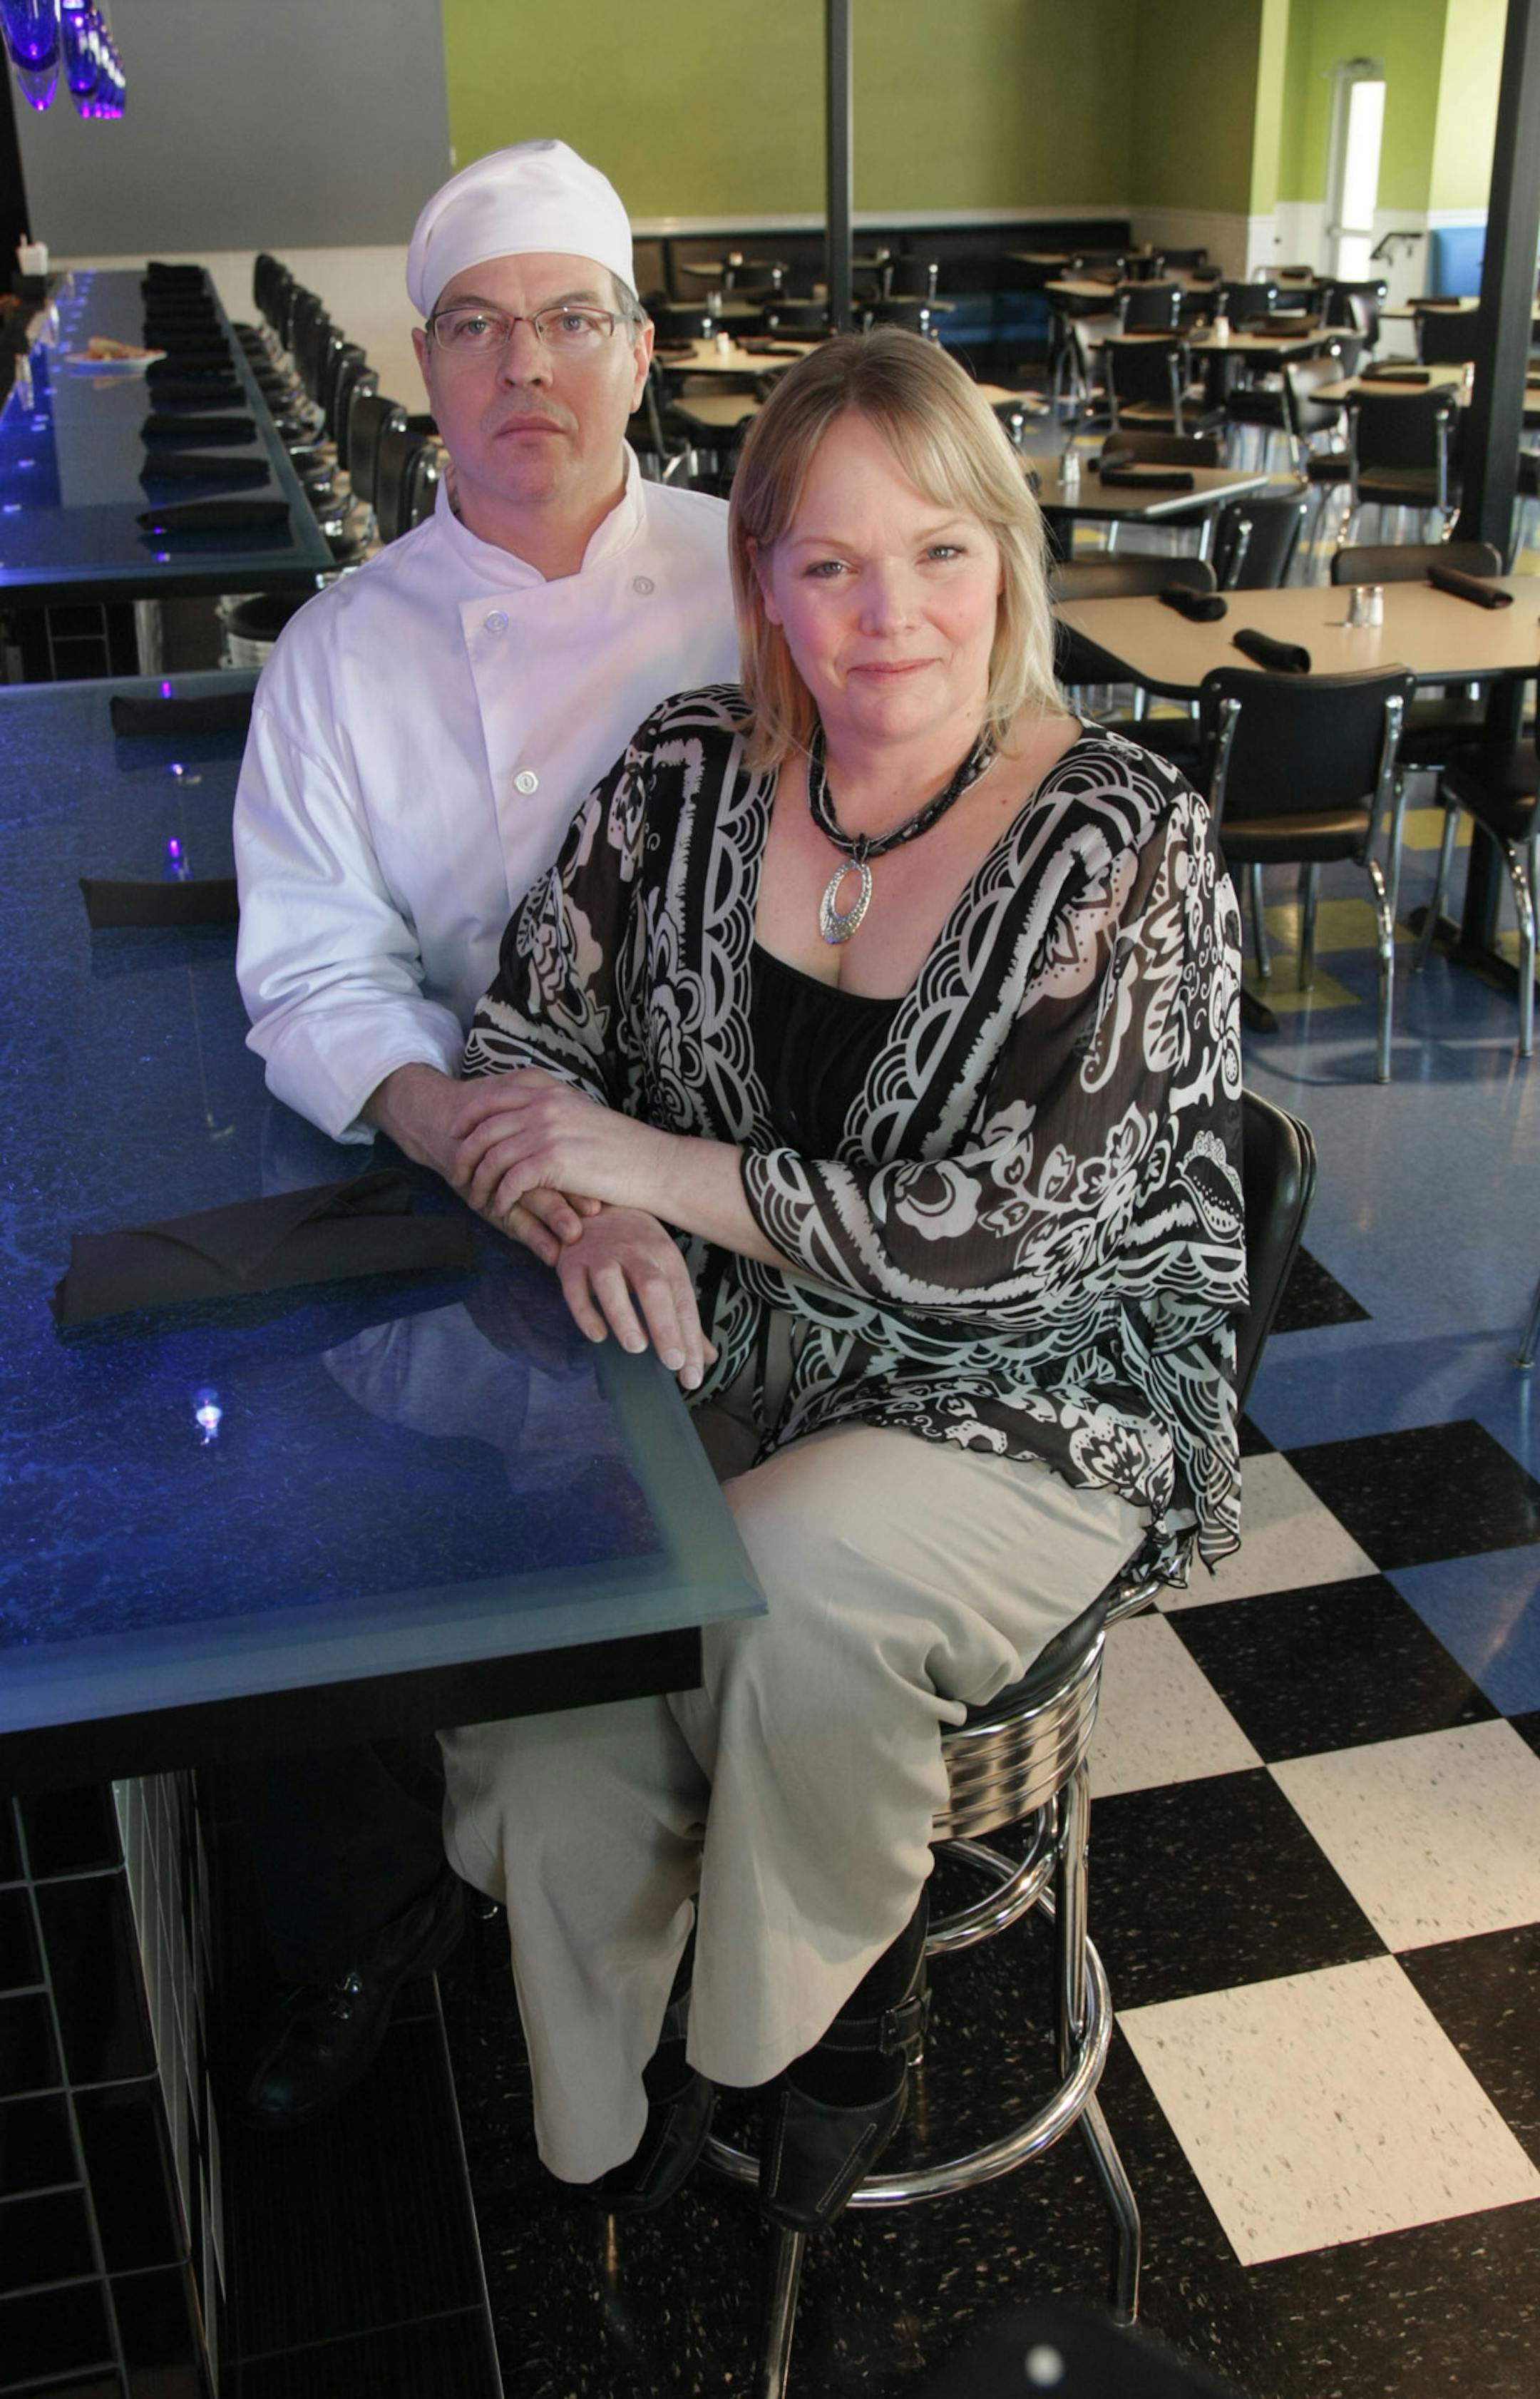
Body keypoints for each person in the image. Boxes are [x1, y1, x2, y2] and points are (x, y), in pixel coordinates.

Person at [438, 328, 1247, 2229]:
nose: (893, 616)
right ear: (765, 589)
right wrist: (601, 1217)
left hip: (1040, 1394)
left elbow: (1009, 1244)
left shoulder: (1125, 841)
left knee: (780, 1584)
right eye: (831, 563)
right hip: (734, 1356)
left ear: (1009, 564)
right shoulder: (685, 773)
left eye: (941, 553)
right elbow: (517, 1045)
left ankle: (818, 2003)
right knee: (556, 1660)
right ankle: (603, 2099)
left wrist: (658, 1164)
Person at [228, 138, 739, 2129]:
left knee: (665, 1586)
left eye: (572, 320)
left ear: (638, 347)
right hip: (455, 1203)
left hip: (740, 1201)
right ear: (423, 362)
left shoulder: (758, 572)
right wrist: (472, 1137)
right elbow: (314, 973)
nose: (529, 365)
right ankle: (378, 1920)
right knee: (294, 1538)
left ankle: (693, 1976)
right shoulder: (343, 645)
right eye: (478, 325)